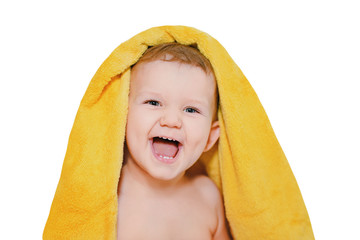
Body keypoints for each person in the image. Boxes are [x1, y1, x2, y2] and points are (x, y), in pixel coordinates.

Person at [116, 43, 232, 239]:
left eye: (191, 110)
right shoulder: (108, 193)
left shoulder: (207, 197)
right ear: (122, 116)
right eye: (153, 102)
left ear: (210, 137)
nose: (171, 121)